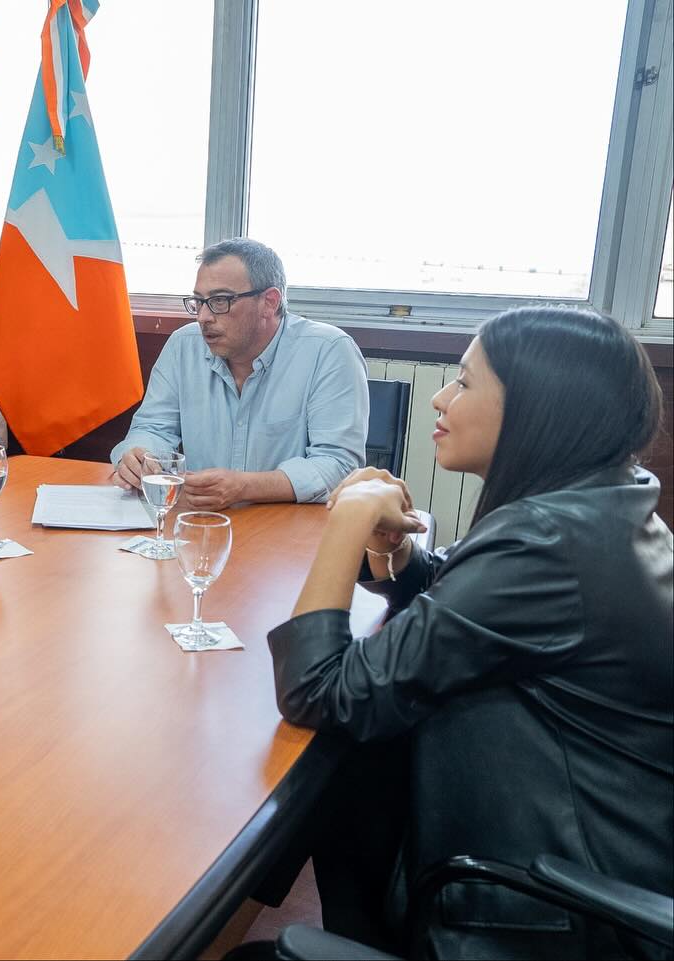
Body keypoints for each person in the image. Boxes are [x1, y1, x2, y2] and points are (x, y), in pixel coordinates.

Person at [266, 306, 672, 958]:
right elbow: (488, 614)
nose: (441, 396)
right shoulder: (605, 502)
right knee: (349, 769)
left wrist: (342, 521)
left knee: (338, 754)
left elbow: (319, 688)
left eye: (465, 381)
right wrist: (400, 559)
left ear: (539, 408)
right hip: (580, 850)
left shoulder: (545, 541)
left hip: (547, 911)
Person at [109, 238, 367, 509]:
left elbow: (338, 466)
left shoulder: (328, 351)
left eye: (220, 301)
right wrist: (138, 456)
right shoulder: (183, 346)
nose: (203, 317)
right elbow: (152, 428)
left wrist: (245, 487)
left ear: (269, 302)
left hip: (288, 528)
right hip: (200, 524)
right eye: (199, 302)